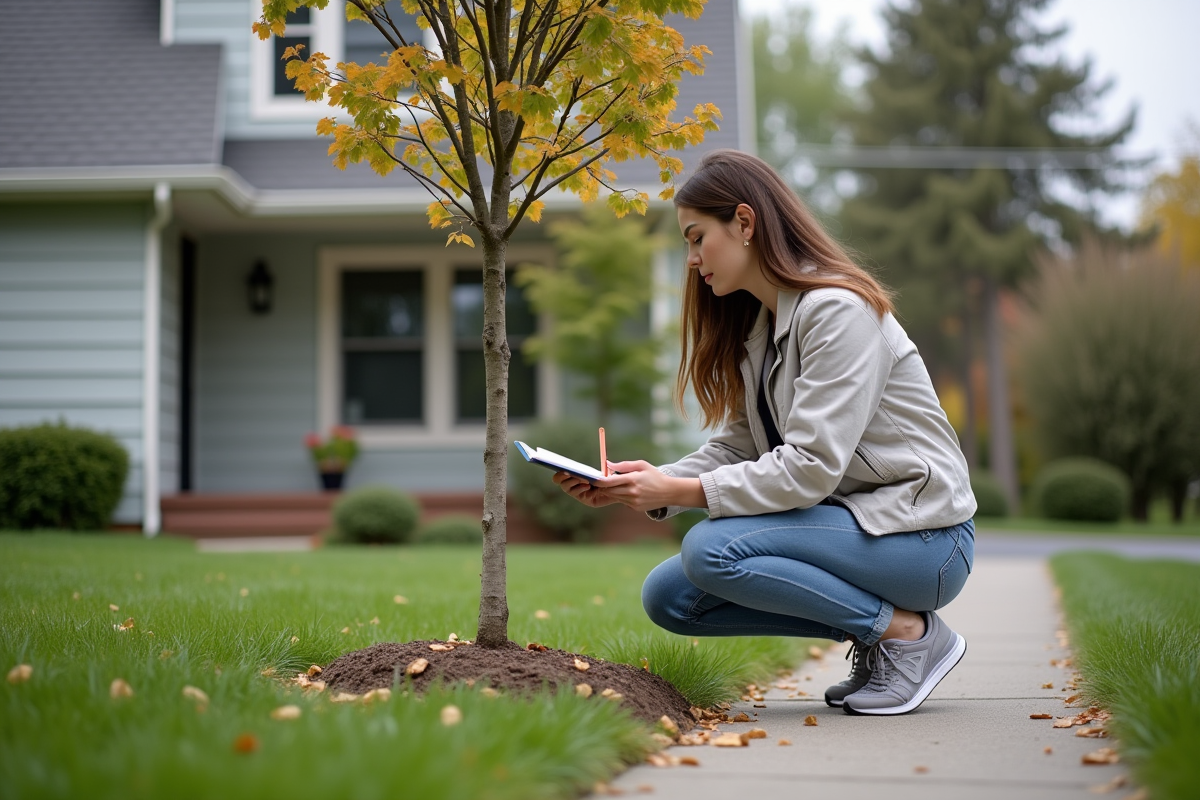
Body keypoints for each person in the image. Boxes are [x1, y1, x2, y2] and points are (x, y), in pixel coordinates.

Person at [552, 149, 977, 716]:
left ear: (746, 223)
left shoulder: (836, 312)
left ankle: (905, 636)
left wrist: (679, 495)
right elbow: (737, 447)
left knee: (711, 549)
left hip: (925, 539)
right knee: (672, 597)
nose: (692, 258)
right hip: (856, 529)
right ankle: (884, 635)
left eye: (698, 237)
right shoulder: (761, 327)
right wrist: (648, 482)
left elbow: (810, 466)